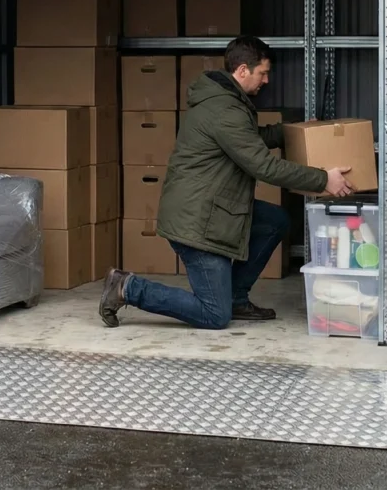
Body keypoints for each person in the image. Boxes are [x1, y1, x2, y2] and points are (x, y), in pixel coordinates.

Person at [100, 35, 353, 330]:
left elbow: (250, 139)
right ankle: (127, 287)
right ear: (243, 70)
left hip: (215, 208)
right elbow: (263, 165)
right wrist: (323, 179)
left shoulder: (226, 100)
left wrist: (294, 130)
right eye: (263, 73)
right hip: (198, 223)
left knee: (275, 221)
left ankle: (236, 298)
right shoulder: (225, 110)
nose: (267, 80)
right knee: (214, 314)